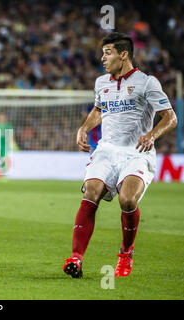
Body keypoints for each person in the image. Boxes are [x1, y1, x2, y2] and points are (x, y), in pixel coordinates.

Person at [63, 32, 177, 278]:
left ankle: (126, 253)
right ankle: (76, 259)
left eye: (107, 53)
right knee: (91, 191)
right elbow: (98, 110)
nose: (102, 58)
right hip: (107, 150)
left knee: (127, 200)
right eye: (103, 53)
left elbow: (171, 117)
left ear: (123, 55)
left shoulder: (147, 83)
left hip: (136, 153)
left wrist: (152, 135)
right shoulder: (101, 82)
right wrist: (84, 128)